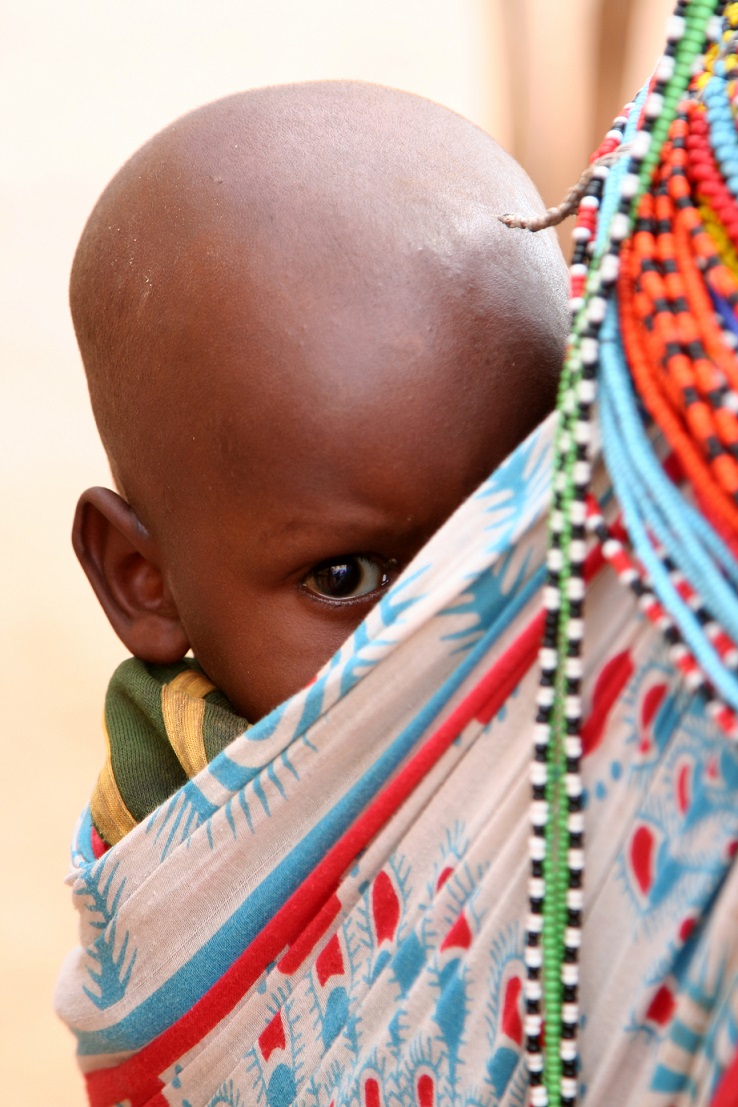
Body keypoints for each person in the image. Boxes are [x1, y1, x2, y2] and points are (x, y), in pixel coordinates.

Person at [70, 80, 568, 847]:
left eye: (524, 534)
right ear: (145, 580)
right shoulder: (170, 886)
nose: (470, 634)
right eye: (350, 578)